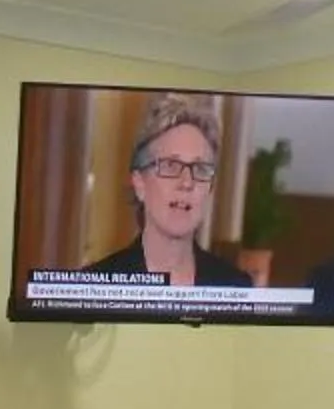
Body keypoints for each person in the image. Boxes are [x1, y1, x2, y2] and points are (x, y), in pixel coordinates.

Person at [81, 94, 252, 289]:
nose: (187, 182)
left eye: (199, 169)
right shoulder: (96, 284)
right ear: (139, 184)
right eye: (171, 166)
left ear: (210, 189)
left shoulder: (235, 286)